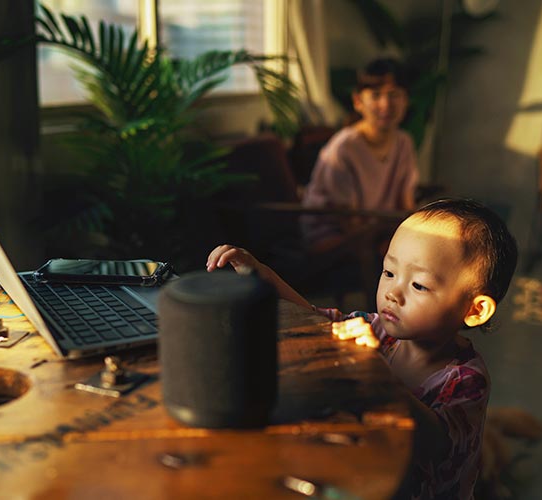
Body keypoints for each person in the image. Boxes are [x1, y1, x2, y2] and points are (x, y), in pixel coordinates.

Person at [206, 198, 519, 499]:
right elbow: (313, 319)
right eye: (389, 272)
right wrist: (259, 273)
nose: (392, 294)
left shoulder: (465, 379)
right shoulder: (378, 332)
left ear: (475, 310)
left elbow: (432, 444)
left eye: (418, 285)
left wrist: (371, 368)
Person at [301, 57, 419, 252]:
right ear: (358, 101)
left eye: (394, 94)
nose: (386, 104)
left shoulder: (403, 142)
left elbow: (406, 204)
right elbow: (350, 222)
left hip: (380, 231)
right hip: (333, 235)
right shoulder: (344, 146)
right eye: (376, 95)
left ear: (405, 99)